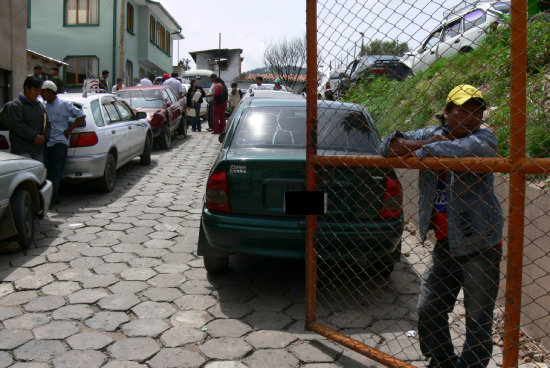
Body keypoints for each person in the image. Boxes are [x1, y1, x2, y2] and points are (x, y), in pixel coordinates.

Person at [380, 85, 503, 368]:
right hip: (446, 242)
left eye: (477, 111)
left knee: (478, 319)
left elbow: (466, 150)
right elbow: (388, 145)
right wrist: (428, 146)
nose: (472, 117)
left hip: (481, 242)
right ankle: (443, 361)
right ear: (447, 112)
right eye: (463, 109)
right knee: (429, 309)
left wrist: (422, 149)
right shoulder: (431, 134)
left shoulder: (485, 137)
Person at [40, 81, 85, 205]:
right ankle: (52, 197)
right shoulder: (44, 106)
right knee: (48, 171)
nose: (42, 94)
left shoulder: (64, 104)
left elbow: (81, 116)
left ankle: (52, 198)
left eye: (43, 92)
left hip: (60, 141)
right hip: (47, 142)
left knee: (57, 171)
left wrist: (70, 129)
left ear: (50, 91)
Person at [7, 76, 51, 162]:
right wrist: (34, 136)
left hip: (38, 151)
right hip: (22, 151)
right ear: (27, 88)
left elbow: (47, 123)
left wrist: (45, 137)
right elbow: (18, 126)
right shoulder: (15, 105)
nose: (37, 93)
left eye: (39, 91)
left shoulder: (40, 106)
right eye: (35, 90)